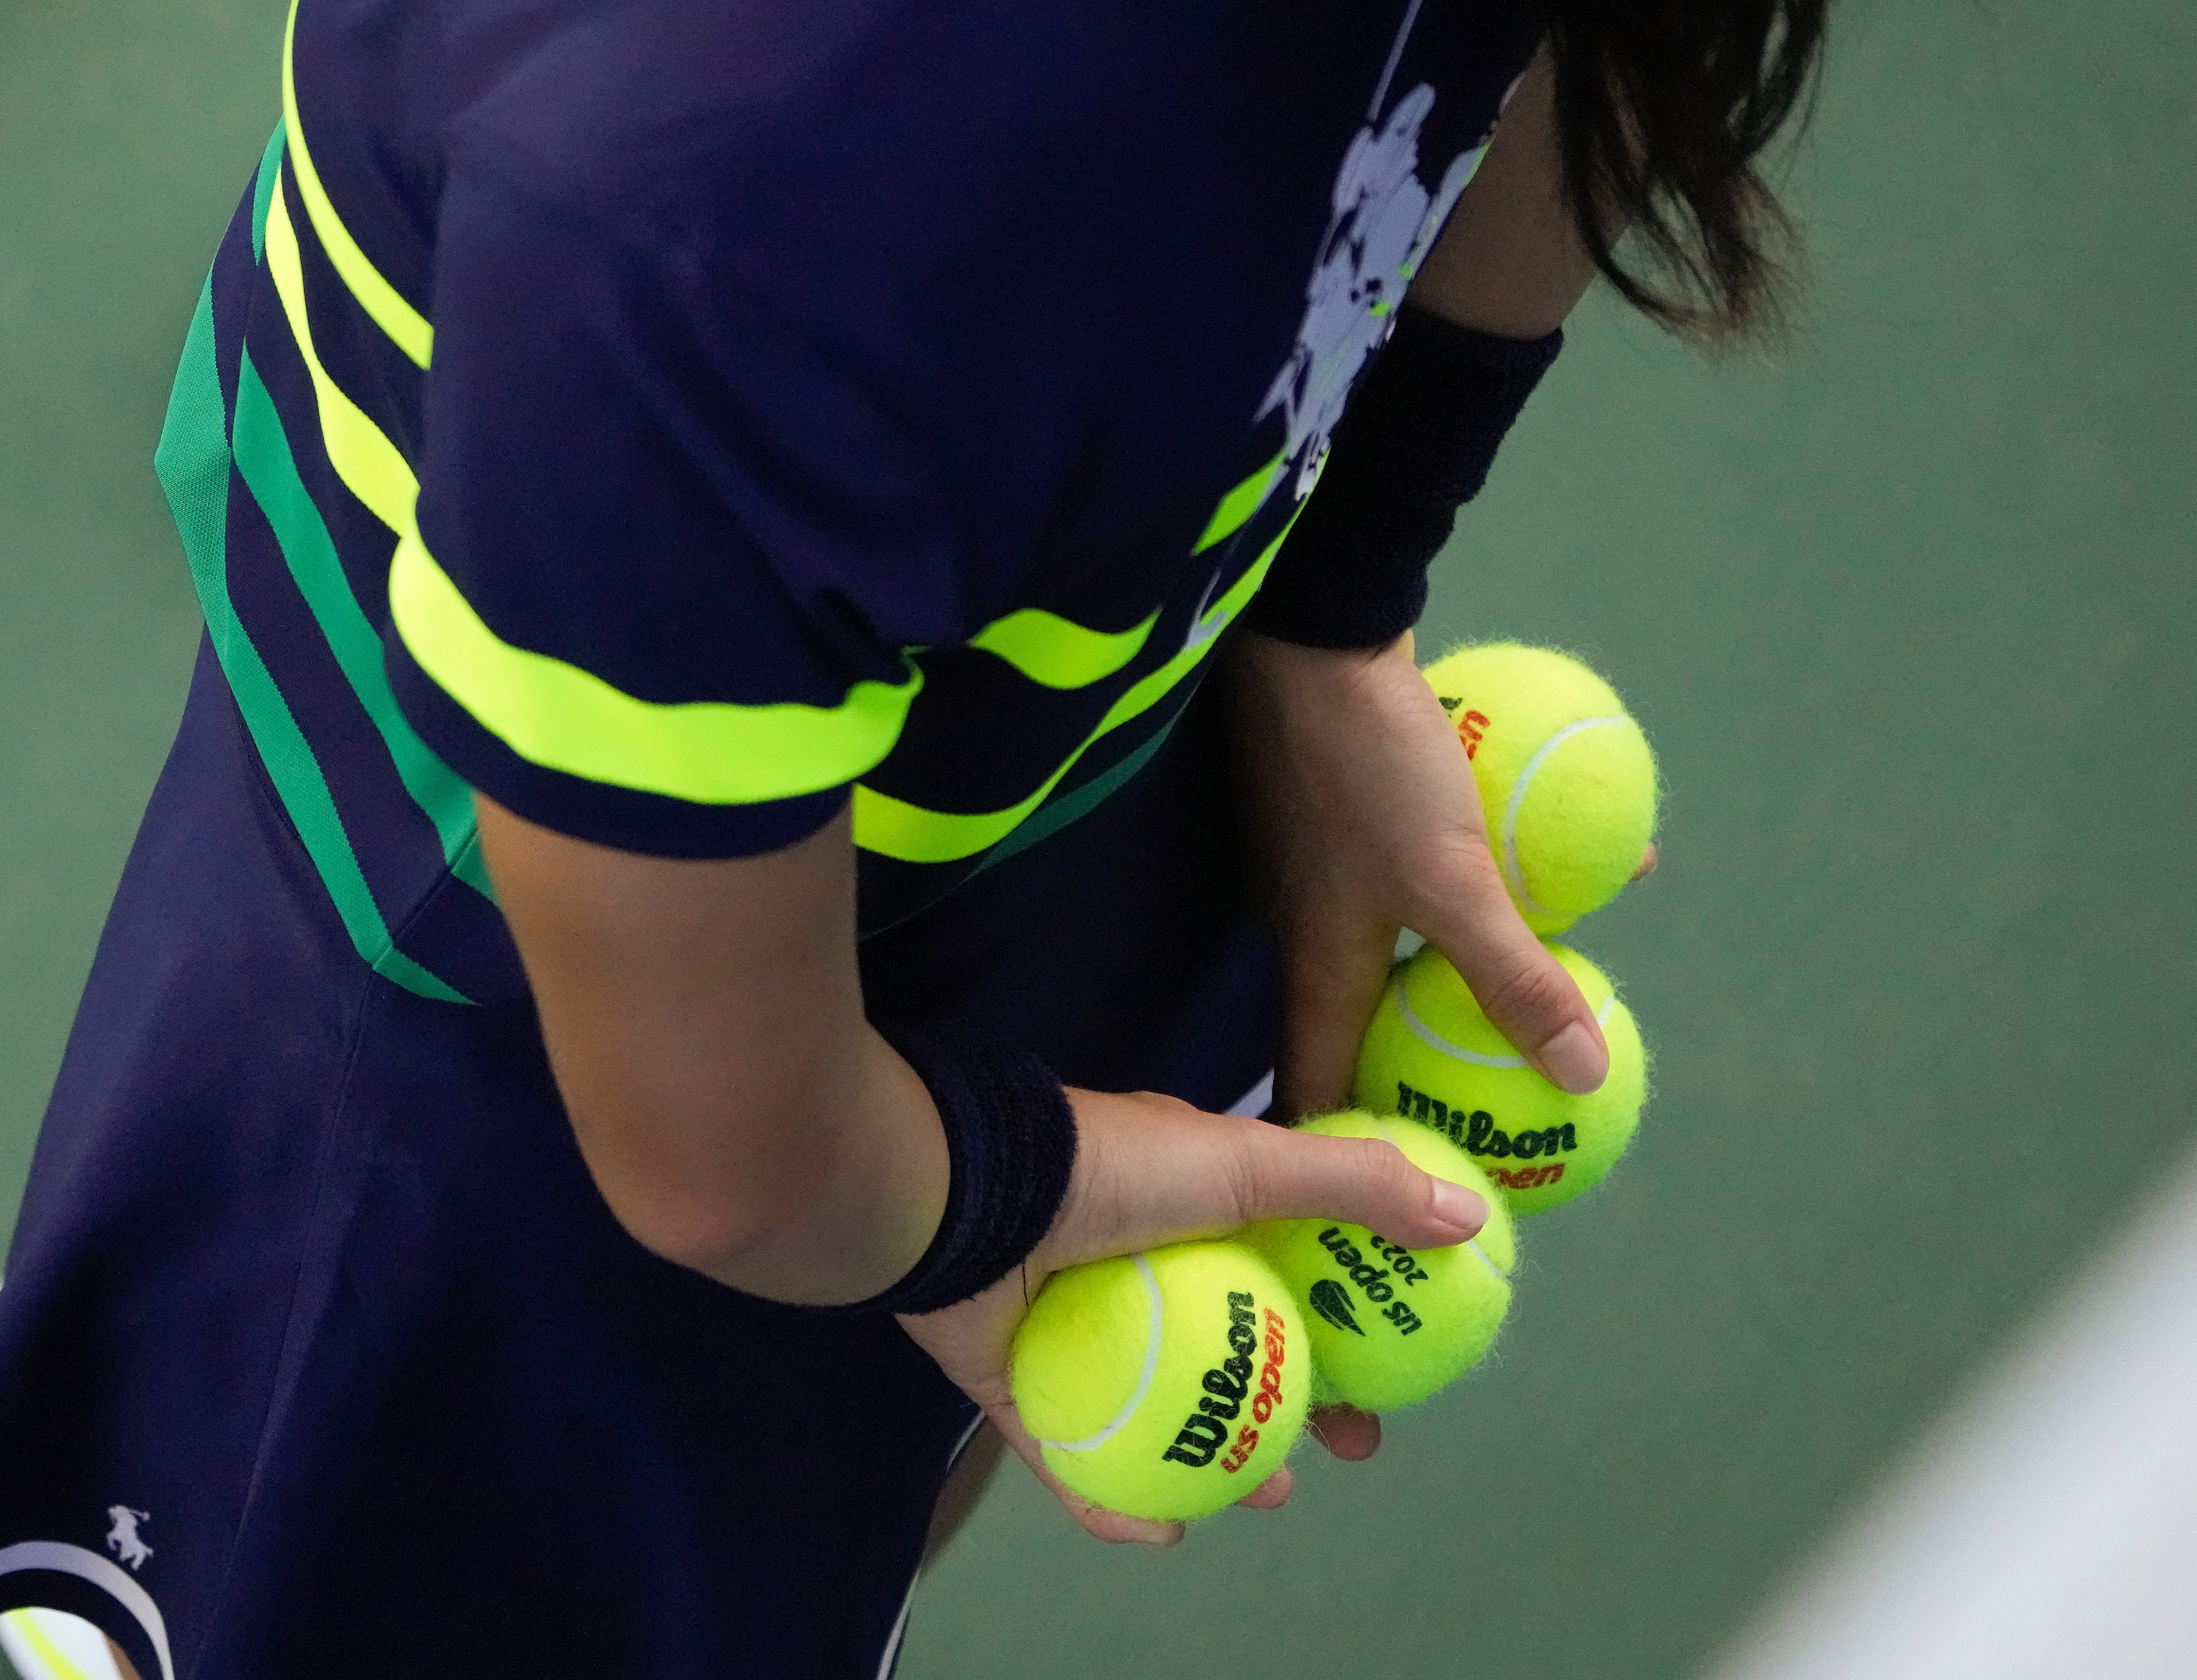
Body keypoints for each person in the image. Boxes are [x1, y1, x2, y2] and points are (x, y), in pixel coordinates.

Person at [0, 0, 1824, 1674]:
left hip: (1030, 621)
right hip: (526, 962)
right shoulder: (713, 220)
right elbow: (730, 1161)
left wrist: (1333, 592)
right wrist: (986, 1200)